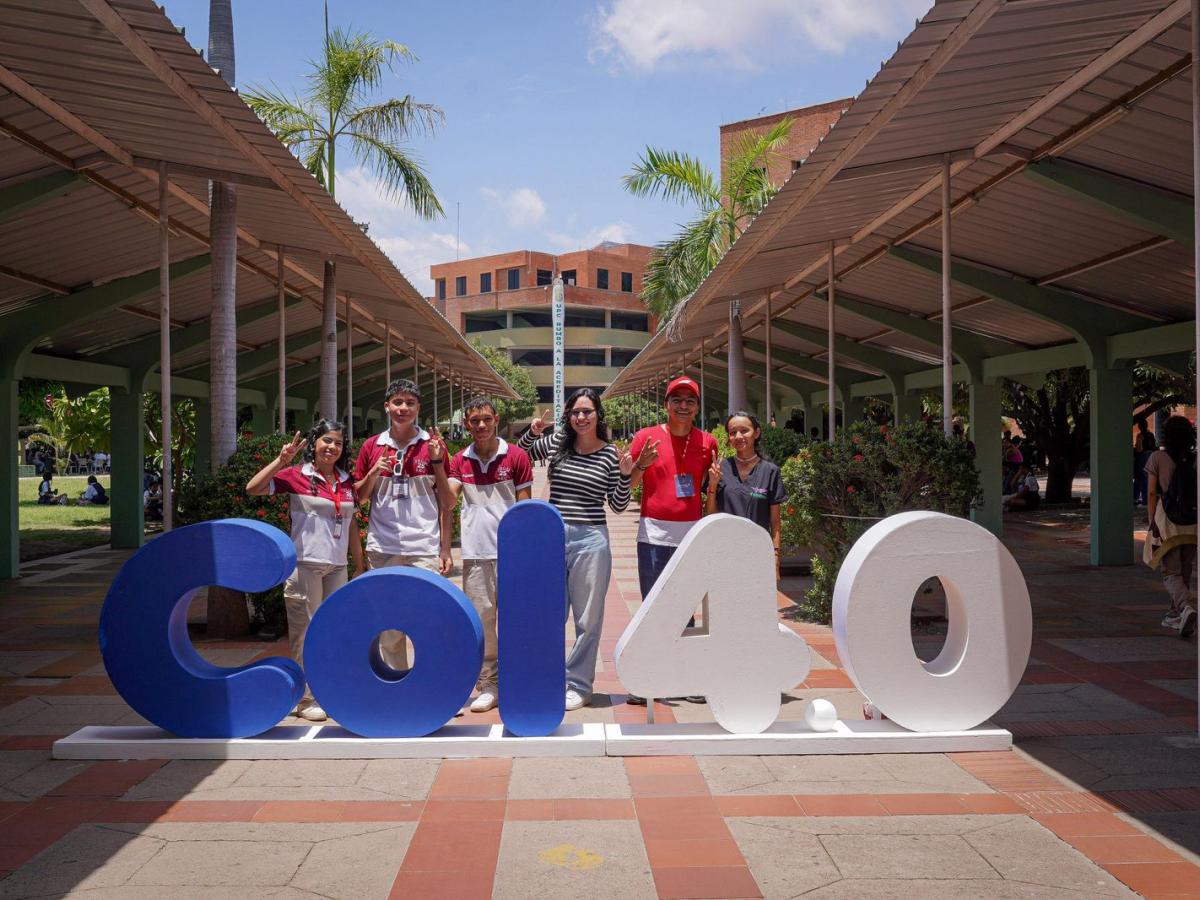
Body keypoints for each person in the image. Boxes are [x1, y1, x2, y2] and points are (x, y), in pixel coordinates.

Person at [518, 389, 643, 710]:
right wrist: (531, 434)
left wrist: (627, 475)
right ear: (568, 416)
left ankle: (579, 684)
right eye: (575, 412)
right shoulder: (558, 444)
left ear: (598, 415)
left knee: (588, 618)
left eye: (587, 411)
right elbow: (520, 457)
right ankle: (547, 676)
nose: (581, 417)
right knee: (549, 614)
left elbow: (617, 505)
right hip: (553, 537)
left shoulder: (610, 454)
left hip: (591, 540)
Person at [247, 420, 364, 721]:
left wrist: (359, 566)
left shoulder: (346, 480)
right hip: (305, 564)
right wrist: (280, 461)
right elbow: (253, 489)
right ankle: (304, 699)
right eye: (326, 440)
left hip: (337, 567)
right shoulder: (297, 475)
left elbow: (350, 527)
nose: (332, 447)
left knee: (333, 630)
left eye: (338, 443)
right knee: (305, 632)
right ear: (314, 443)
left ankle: (328, 690)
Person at [627, 375, 719, 704]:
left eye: (689, 400)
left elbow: (710, 488)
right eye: (677, 400)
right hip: (652, 533)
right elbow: (630, 484)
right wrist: (640, 464)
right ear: (666, 405)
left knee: (686, 606)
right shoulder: (645, 437)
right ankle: (645, 677)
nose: (683, 405)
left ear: (696, 408)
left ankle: (689, 676)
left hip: (691, 533)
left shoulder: (708, 442)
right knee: (652, 606)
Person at [354, 379, 455, 673]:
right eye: (397, 402)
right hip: (382, 546)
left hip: (423, 546)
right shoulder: (372, 447)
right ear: (387, 406)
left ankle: (433, 685)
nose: (403, 408)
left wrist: (445, 548)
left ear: (418, 408)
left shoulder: (433, 446)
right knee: (389, 623)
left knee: (429, 618)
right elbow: (358, 499)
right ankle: (397, 683)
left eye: (410, 403)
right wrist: (373, 473)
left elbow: (447, 503)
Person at [447, 395, 534, 713]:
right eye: (474, 420)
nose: (481, 425)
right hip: (475, 554)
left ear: (496, 419)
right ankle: (489, 684)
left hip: (511, 554)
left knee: (515, 620)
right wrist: (435, 465)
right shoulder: (459, 460)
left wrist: (526, 554)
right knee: (483, 621)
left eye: (486, 418)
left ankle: (520, 678)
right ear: (466, 424)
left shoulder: (516, 457)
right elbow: (448, 501)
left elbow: (524, 509)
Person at [705, 411, 786, 579]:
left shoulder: (770, 471)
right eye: (733, 432)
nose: (738, 436)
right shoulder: (721, 468)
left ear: (756, 433)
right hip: (724, 552)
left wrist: (775, 558)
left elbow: (775, 522)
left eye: (744, 430)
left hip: (758, 552)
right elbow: (711, 515)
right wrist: (712, 485)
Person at [1144, 415, 1198, 638]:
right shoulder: (1195, 459)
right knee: (1185, 569)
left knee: (1170, 572)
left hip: (1168, 522)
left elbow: (1151, 493)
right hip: (1193, 522)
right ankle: (1176, 613)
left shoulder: (1157, 457)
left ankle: (1186, 606)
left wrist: (1150, 521)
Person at [1134, 417, 1157, 505]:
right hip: (1150, 455)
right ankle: (1145, 499)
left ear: (1140, 426)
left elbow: (1139, 449)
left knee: (1140, 478)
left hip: (1143, 456)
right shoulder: (1151, 435)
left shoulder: (1140, 436)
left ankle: (1138, 498)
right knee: (1147, 477)